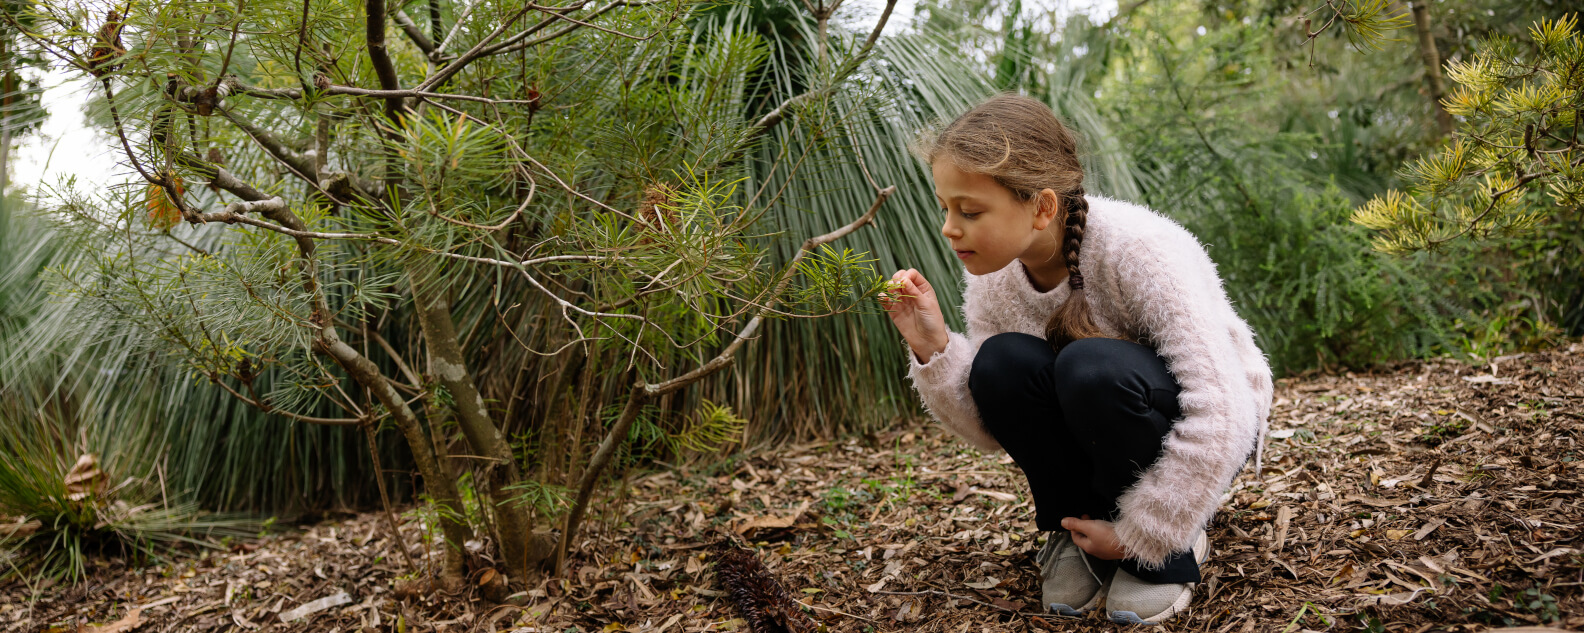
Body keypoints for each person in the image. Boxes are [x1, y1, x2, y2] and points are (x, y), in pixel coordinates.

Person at [879, 93, 1273, 625]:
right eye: (945, 207)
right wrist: (934, 346)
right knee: (997, 362)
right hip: (1103, 418)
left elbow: (1224, 408)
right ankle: (1078, 528)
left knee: (1089, 367)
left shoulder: (1141, 251)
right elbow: (996, 422)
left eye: (969, 211)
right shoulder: (994, 275)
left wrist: (1148, 532)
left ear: (1042, 207)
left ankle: (1167, 553)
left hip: (1195, 432)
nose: (950, 227)